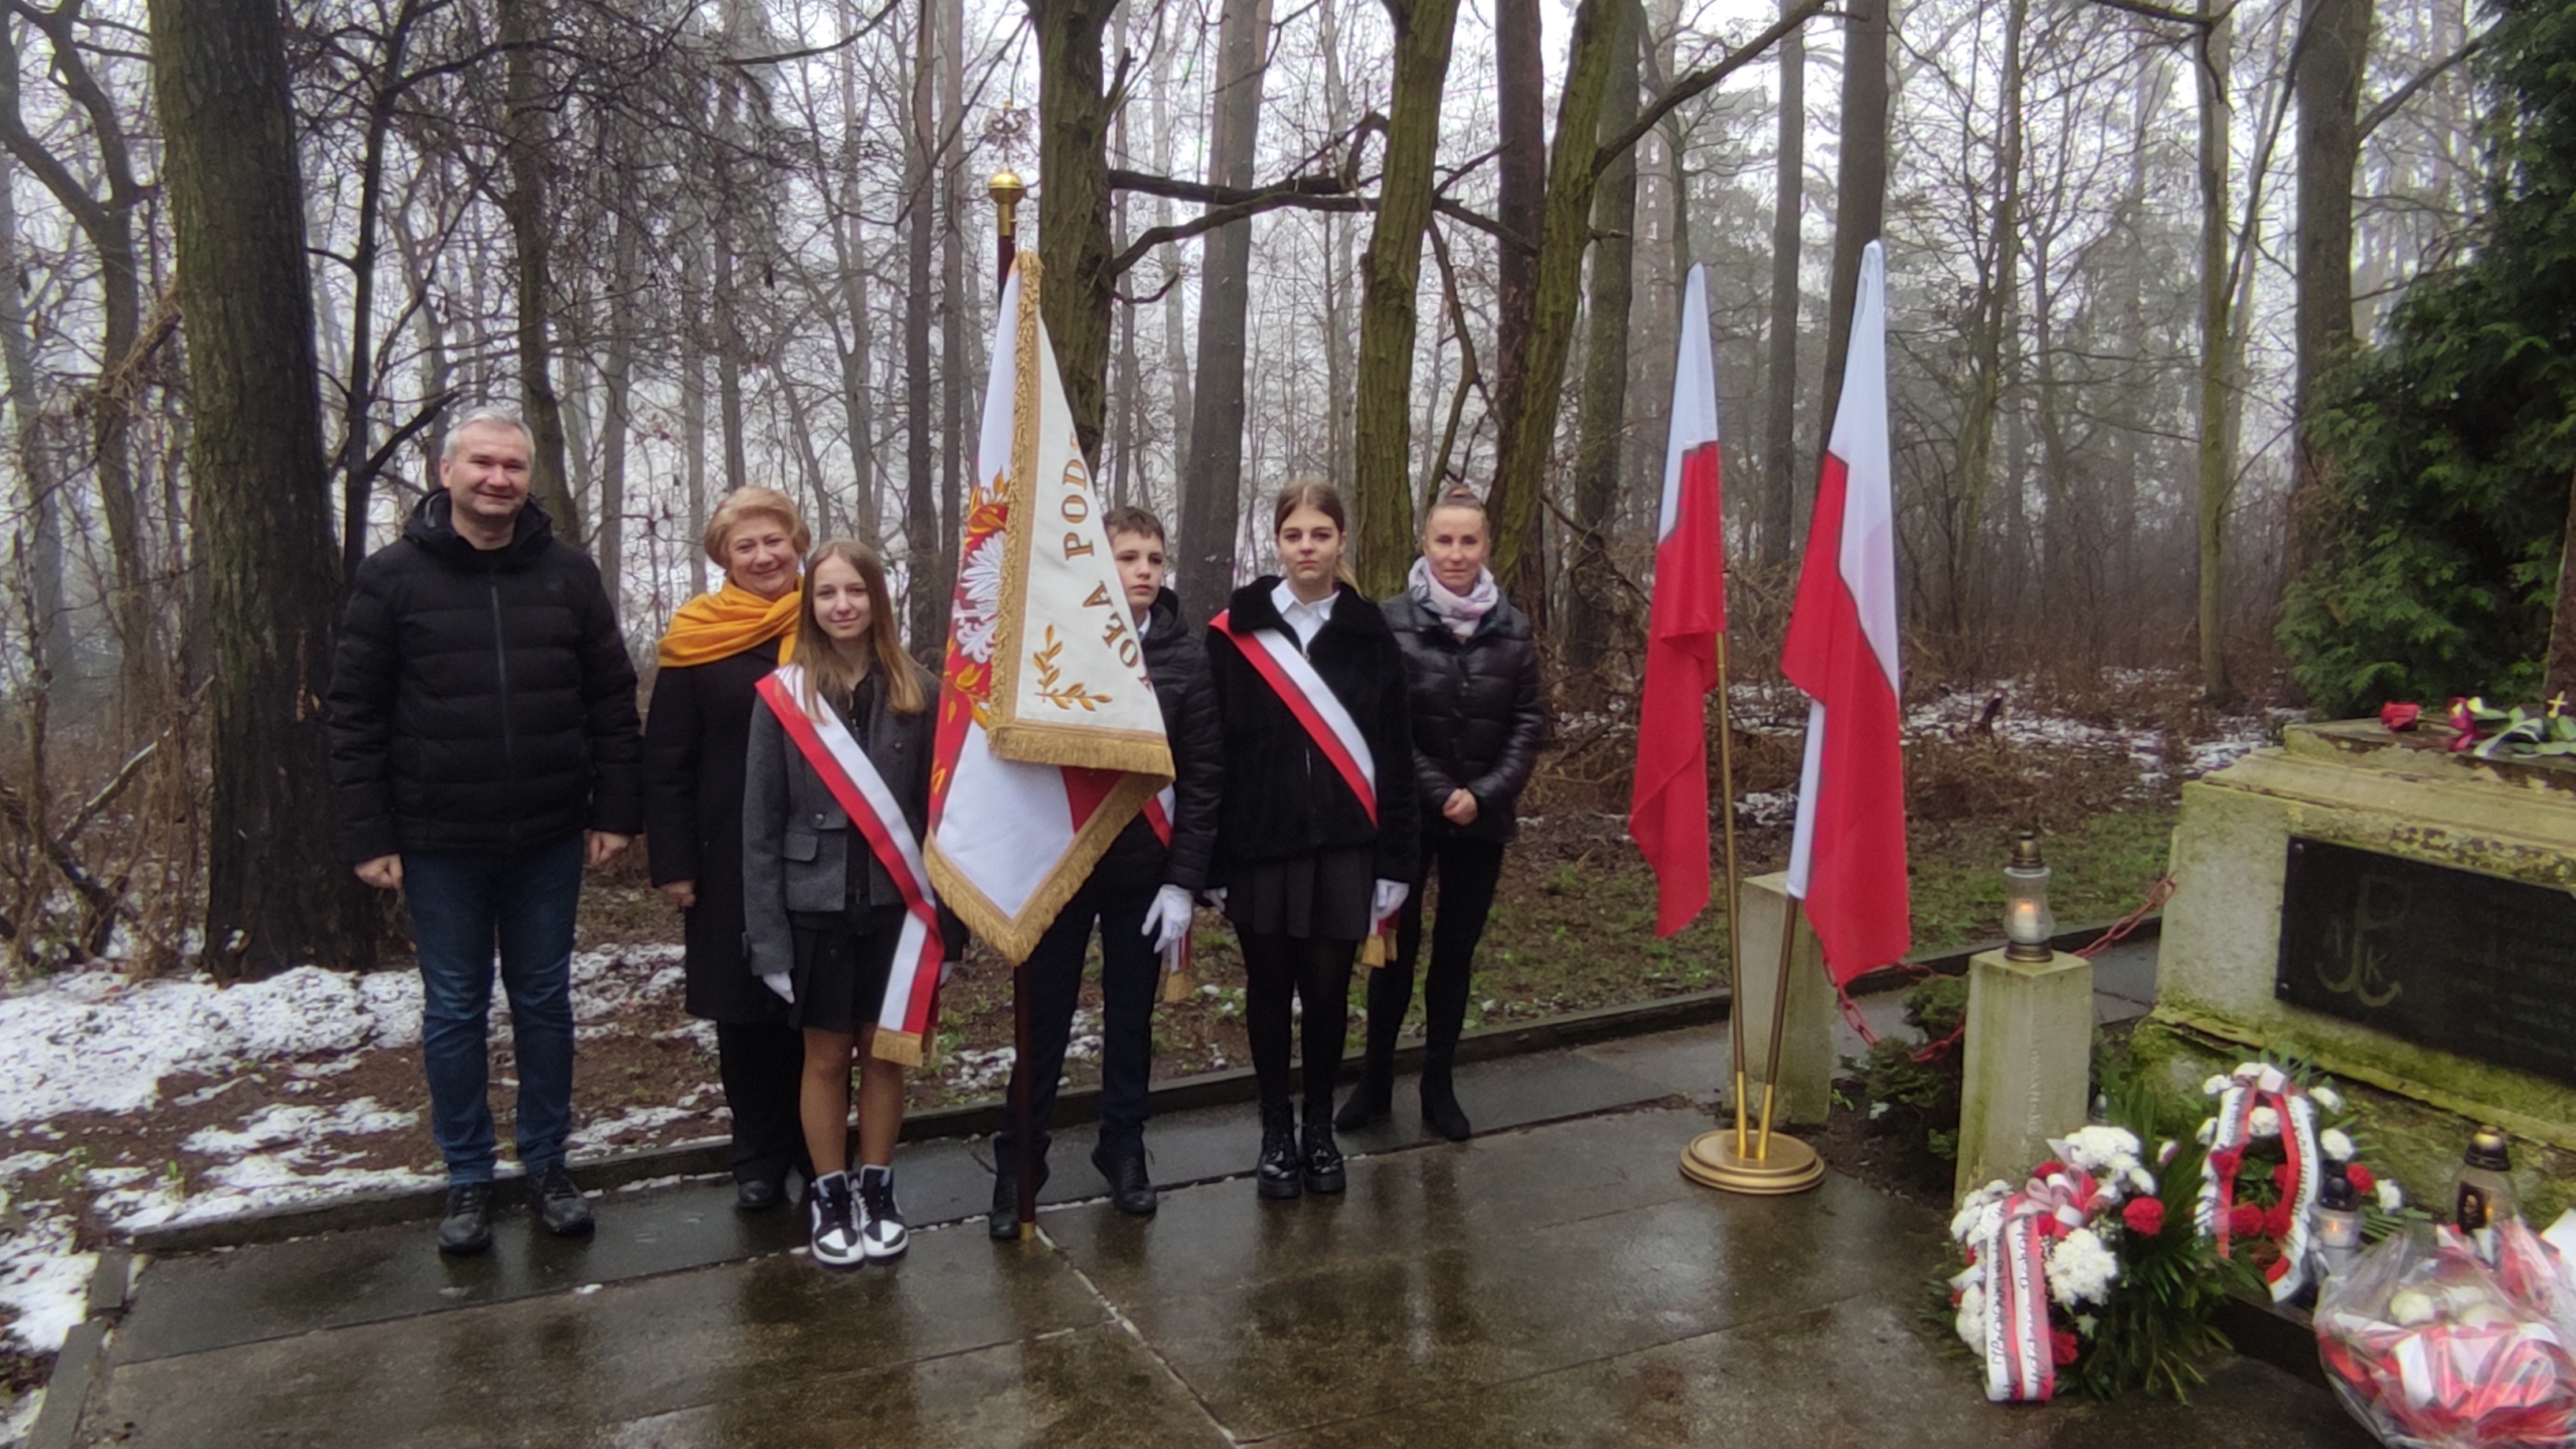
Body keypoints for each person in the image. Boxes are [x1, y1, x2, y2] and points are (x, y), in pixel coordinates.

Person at [325, 407, 643, 1256]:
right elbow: (354, 714)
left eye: (513, 466)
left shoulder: (568, 574)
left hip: (547, 834)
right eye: (482, 464)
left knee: (544, 1002)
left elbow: (611, 698)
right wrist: (369, 833)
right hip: (438, 841)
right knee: (455, 1009)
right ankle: (467, 1173)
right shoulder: (392, 578)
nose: (498, 479)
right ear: (447, 472)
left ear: (528, 479)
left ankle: (547, 1164)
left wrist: (615, 809)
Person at [988, 506, 1222, 1237]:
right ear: (1099, 564)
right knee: (1043, 1023)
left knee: (1130, 1021)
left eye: (1154, 558)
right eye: (1127, 557)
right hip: (1060, 866)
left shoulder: (1187, 657)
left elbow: (1204, 776)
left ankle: (1123, 1148)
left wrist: (1183, 881)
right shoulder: (1053, 641)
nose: (1144, 571)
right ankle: (1019, 1162)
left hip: (1143, 873)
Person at [742, 541, 959, 1267]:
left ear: (877, 600)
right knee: (827, 1057)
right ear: (810, 605)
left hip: (899, 907)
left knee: (887, 1055)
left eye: (856, 592)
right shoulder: (783, 697)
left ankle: (878, 1187)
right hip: (815, 908)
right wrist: (768, 942)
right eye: (828, 593)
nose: (843, 606)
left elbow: (943, 820)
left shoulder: (920, 691)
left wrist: (950, 928)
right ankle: (831, 1194)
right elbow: (759, 827)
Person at [1204, 480, 1417, 1200]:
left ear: (1340, 542)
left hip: (1343, 849)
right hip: (1259, 847)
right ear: (1277, 542)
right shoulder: (1233, 633)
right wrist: (1212, 859)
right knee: (1268, 991)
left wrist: (1395, 860)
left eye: (1320, 535)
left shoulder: (1370, 633)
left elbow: (1395, 754)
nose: (1307, 548)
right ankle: (1275, 1131)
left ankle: (1319, 1130)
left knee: (1326, 996)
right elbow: (1214, 752)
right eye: (1294, 535)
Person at [1340, 486, 1544, 1141]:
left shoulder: (1514, 628)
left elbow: (1528, 722)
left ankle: (1438, 1083)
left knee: (1456, 952)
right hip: (1407, 815)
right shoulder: (1389, 620)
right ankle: (1374, 1080)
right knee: (1392, 951)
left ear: (1486, 547)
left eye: (1468, 541)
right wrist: (1437, 791)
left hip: (1483, 819)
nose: (1456, 554)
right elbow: (1381, 720)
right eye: (1444, 540)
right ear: (1425, 544)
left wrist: (1483, 794)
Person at [643, 487, 813, 1212]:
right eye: (746, 546)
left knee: (817, 1007)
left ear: (797, 543)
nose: (764, 556)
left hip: (820, 848)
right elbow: (667, 759)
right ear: (724, 558)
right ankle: (758, 1155)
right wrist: (675, 863)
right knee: (744, 1011)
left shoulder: (832, 617)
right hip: (726, 853)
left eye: (775, 541)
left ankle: (819, 1151)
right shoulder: (695, 638)